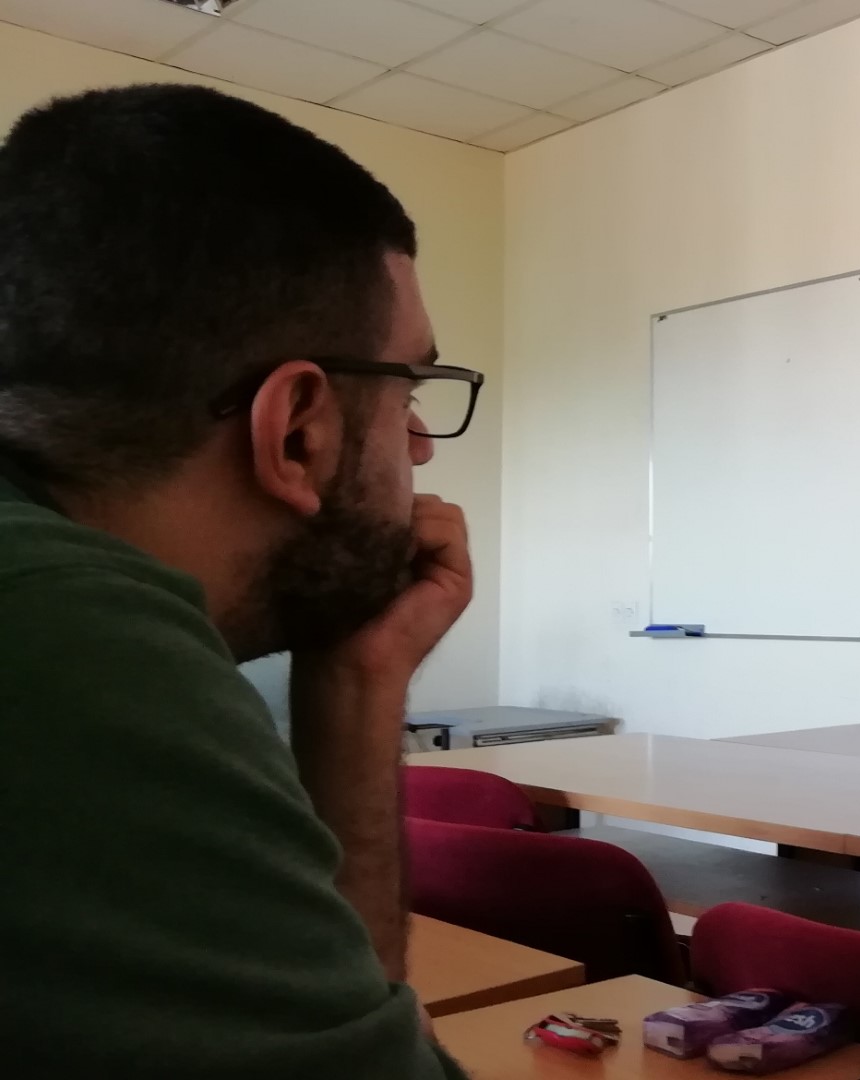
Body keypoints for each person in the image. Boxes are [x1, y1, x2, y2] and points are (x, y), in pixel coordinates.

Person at [0, 84, 483, 1078]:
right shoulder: (73, 643)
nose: (422, 446)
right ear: (298, 430)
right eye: (408, 390)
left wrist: (360, 684)